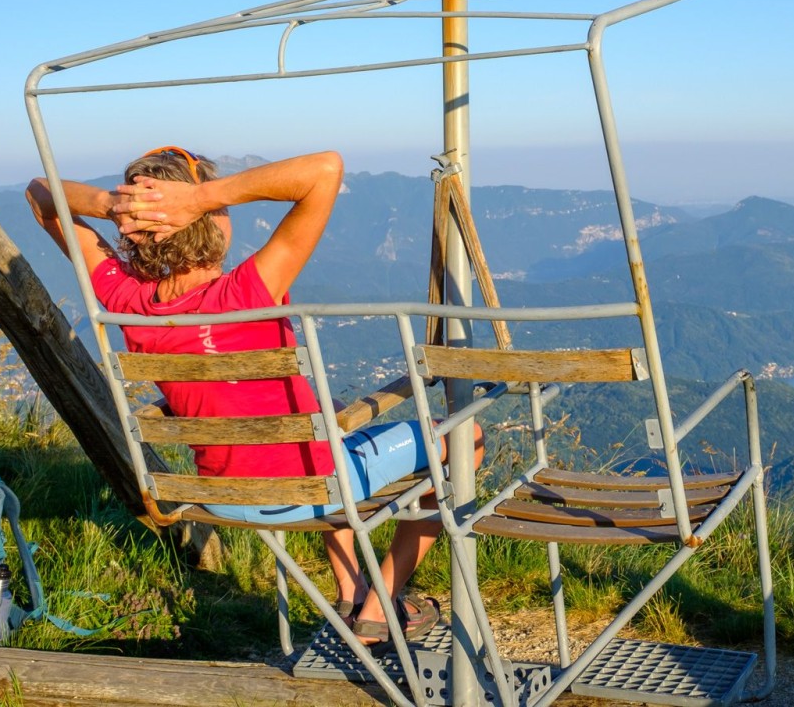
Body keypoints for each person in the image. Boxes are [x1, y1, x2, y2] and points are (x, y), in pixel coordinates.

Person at [26, 146, 481, 643]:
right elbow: (325, 169)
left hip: (224, 497)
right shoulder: (250, 289)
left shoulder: (125, 300)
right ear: (205, 219)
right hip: (309, 487)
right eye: (219, 208)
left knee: (320, 443)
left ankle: (351, 591)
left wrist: (118, 205)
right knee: (466, 438)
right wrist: (199, 196)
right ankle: (378, 605)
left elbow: (40, 194)